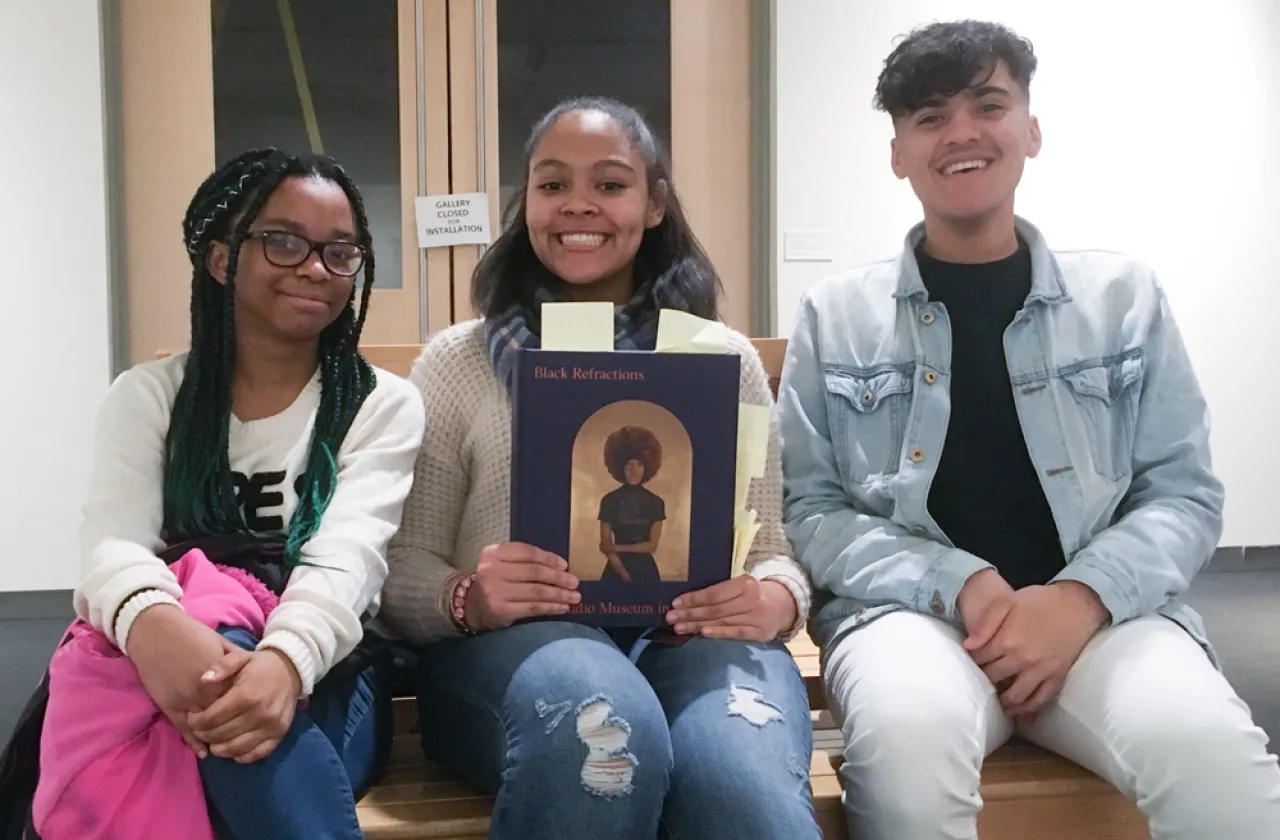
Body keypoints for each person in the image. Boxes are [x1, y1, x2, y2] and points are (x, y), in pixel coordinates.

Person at [776, 20, 1280, 840]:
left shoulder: (1124, 297)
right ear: (898, 152)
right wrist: (962, 582)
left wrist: (1080, 598)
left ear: (1031, 129)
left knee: (1217, 760)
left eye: (989, 104)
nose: (962, 133)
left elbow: (1181, 494)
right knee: (904, 760)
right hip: (908, 620)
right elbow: (815, 512)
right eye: (929, 117)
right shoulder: (836, 316)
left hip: (1103, 619)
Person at [379, 96, 820, 839]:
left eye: (610, 184)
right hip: (509, 660)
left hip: (689, 642)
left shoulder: (719, 358)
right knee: (604, 736)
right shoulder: (458, 363)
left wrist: (773, 600)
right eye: (552, 185)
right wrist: (468, 597)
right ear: (528, 205)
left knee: (743, 789)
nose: (577, 204)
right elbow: (397, 565)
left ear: (654, 205)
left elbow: (771, 551)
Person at [41, 147, 426, 840]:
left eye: (340, 252)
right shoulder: (150, 398)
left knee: (237, 747)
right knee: (221, 726)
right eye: (284, 242)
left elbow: (346, 565)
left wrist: (279, 666)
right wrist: (170, 641)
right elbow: (113, 545)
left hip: (326, 669)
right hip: (162, 656)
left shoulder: (382, 404)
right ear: (221, 260)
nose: (315, 267)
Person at [598, 425, 666, 583]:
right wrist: (623, 574)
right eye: (629, 465)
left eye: (639, 465)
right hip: (615, 570)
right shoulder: (609, 500)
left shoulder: (656, 502)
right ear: (620, 467)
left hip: (646, 573)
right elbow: (605, 544)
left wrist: (617, 547)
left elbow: (652, 546)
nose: (634, 470)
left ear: (647, 467)